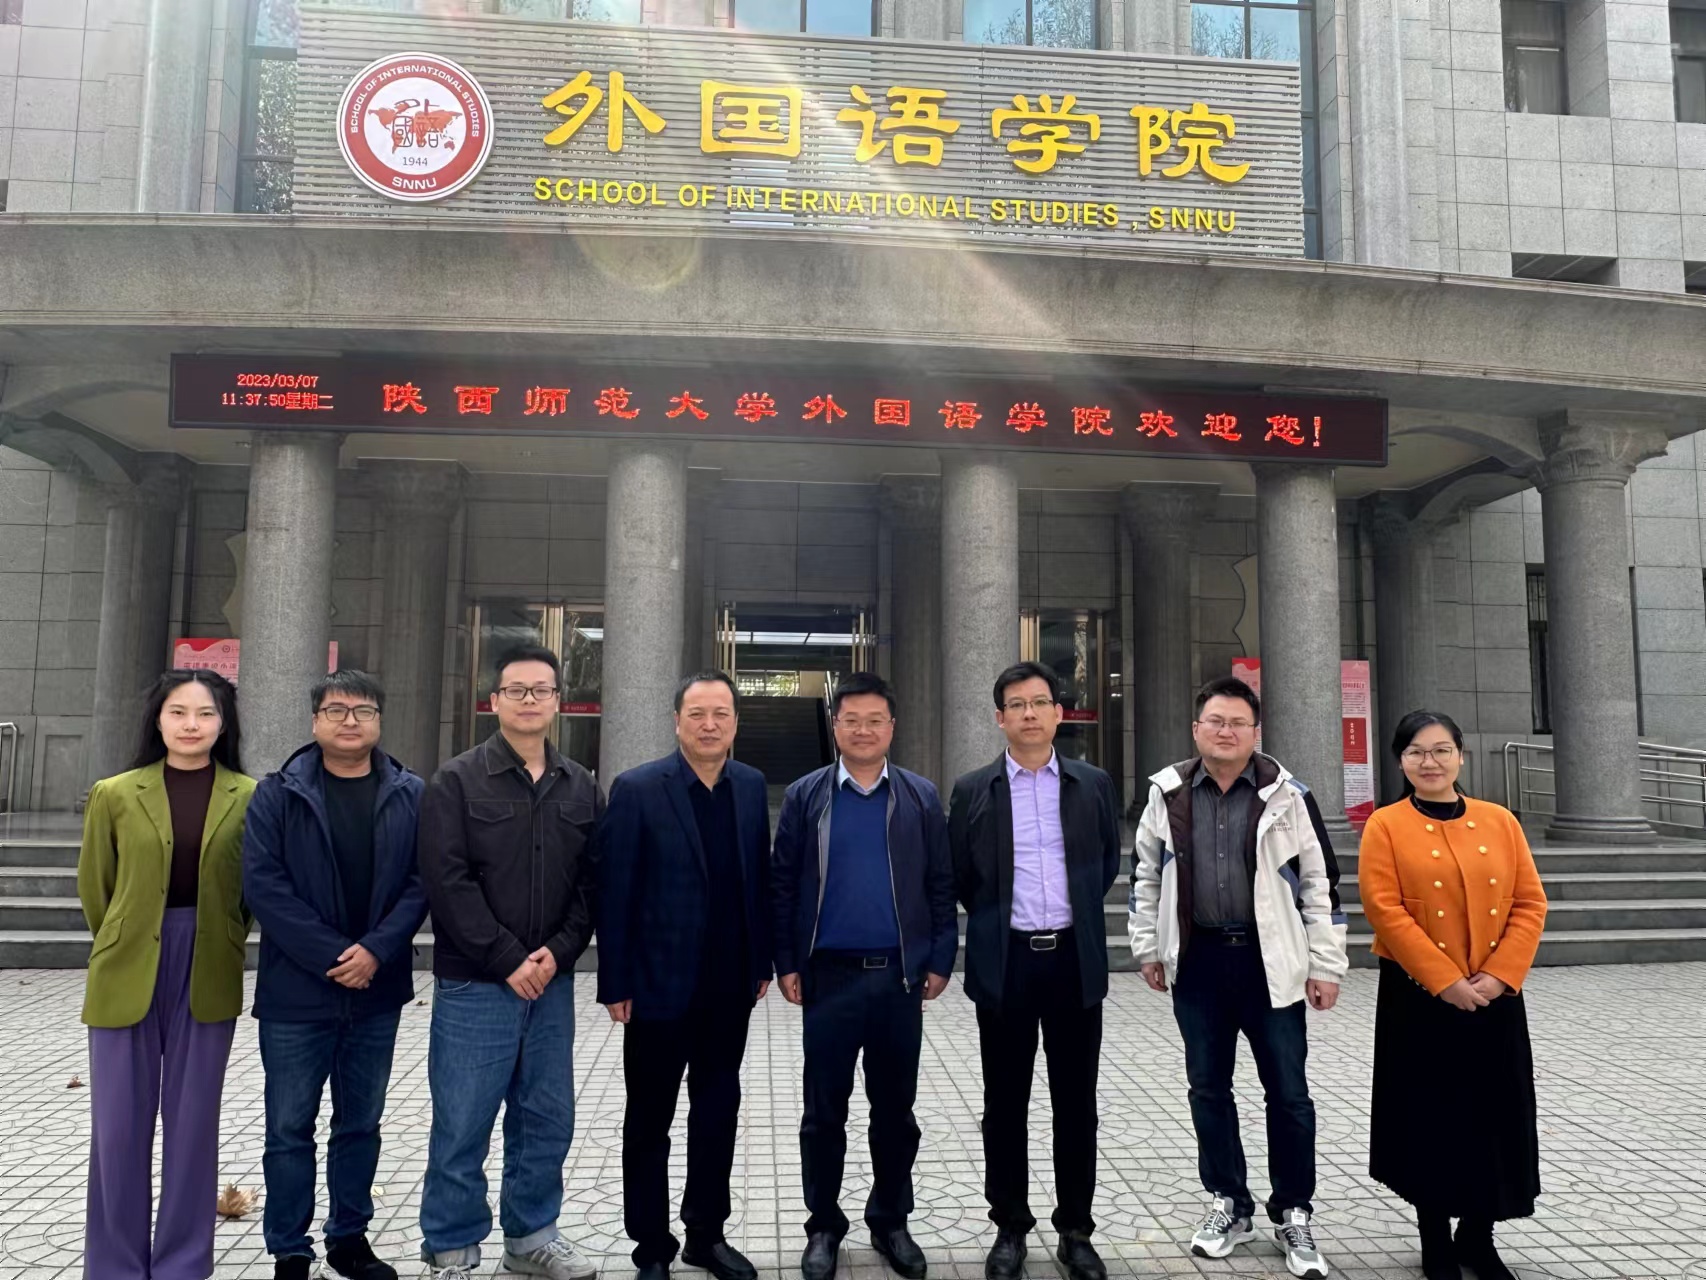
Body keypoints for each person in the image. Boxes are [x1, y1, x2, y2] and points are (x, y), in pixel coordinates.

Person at [1127, 674, 1347, 1280]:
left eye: (1238, 723)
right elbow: (1146, 875)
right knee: (1207, 1088)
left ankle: (1294, 1209)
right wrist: (1149, 948)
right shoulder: (1168, 793)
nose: (1226, 732)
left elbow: (1319, 884)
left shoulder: (1287, 795)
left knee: (1289, 1092)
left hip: (1269, 962)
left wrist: (1326, 964)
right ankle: (1229, 1201)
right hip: (1198, 961)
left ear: (1256, 732)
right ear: (1196, 729)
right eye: (1215, 722)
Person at [417, 644, 602, 1280]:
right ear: (493, 700)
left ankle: (532, 1239)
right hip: (476, 984)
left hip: (550, 984)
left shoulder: (581, 785)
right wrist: (506, 958)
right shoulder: (455, 781)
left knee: (546, 1117)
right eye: (516, 690)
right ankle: (451, 1248)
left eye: (541, 690)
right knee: (463, 1120)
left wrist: (559, 951)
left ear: (558, 701)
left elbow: (591, 883)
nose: (529, 700)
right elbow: (446, 881)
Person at [242, 669, 429, 1280]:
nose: (351, 721)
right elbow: (264, 887)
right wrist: (334, 955)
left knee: (360, 1124)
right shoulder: (277, 794)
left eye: (364, 710)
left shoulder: (410, 792)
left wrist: (375, 950)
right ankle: (290, 1249)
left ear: (379, 720)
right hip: (297, 992)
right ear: (315, 720)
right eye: (337, 710)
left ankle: (349, 1239)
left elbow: (422, 882)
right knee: (288, 1128)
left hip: (377, 989)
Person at [771, 671, 958, 1280]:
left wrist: (940, 958)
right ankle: (823, 1225)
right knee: (824, 1113)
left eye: (874, 720)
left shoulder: (920, 796)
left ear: (892, 727)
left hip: (898, 979)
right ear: (835, 727)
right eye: (851, 720)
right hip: (828, 978)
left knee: (895, 1112)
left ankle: (891, 1220)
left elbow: (940, 882)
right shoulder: (806, 796)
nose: (863, 730)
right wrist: (787, 960)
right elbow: (783, 883)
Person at [77, 669, 254, 1280]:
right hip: (127, 965)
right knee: (118, 1129)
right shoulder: (115, 793)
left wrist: (222, 935)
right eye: (178, 712)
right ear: (158, 719)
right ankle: (116, 1265)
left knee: (192, 1125)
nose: (191, 725)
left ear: (223, 724)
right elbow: (96, 888)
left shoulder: (249, 796)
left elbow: (247, 893)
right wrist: (126, 935)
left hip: (206, 965)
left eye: (205, 714)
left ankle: (182, 1263)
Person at [947, 662, 1122, 1280]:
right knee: (1005, 1104)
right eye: (1016, 704)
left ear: (1058, 713)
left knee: (1077, 1104)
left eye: (1040, 702)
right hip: (1008, 964)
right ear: (999, 717)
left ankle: (1076, 1229)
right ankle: (1010, 1226)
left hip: (1073, 961)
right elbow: (962, 875)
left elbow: (1105, 863)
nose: (1029, 713)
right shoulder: (973, 788)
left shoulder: (1092, 784)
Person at [597, 670, 773, 1280]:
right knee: (649, 1120)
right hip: (656, 987)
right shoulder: (638, 788)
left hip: (729, 986)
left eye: (721, 713)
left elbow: (758, 879)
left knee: (717, 1112)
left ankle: (706, 1234)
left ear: (735, 723)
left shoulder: (750, 785)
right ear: (676, 722)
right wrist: (615, 981)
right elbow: (614, 890)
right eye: (697, 713)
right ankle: (651, 1247)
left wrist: (761, 961)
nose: (709, 724)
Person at [1359, 711, 1547, 1280]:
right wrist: (1444, 981)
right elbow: (1385, 909)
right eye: (1416, 752)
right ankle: (1435, 1237)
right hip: (1419, 997)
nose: (1430, 762)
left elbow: (1529, 902)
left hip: (1494, 995)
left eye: (1441, 750)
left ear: (1460, 756)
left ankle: (1478, 1236)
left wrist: (1500, 975)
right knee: (1430, 1118)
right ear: (1400, 762)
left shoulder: (1499, 820)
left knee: (1493, 1115)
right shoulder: (1385, 825)